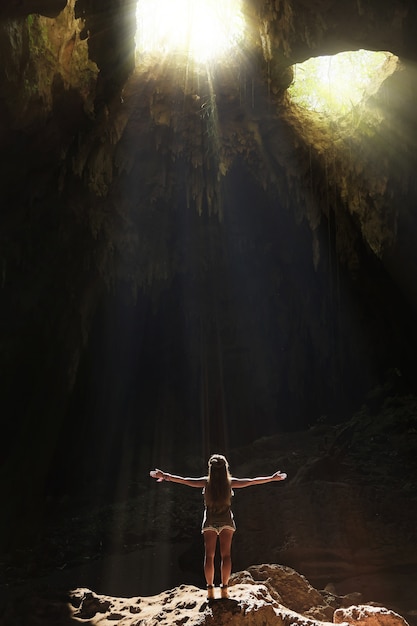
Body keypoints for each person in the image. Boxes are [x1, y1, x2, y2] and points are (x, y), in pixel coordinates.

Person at [150, 453, 286, 600]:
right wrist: (272, 478)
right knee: (226, 555)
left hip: (209, 522)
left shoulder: (205, 482)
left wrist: (165, 476)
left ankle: (210, 589)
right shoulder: (230, 482)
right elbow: (251, 481)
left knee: (209, 556)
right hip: (226, 522)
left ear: (210, 468)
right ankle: (224, 589)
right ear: (225, 468)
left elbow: (184, 481)